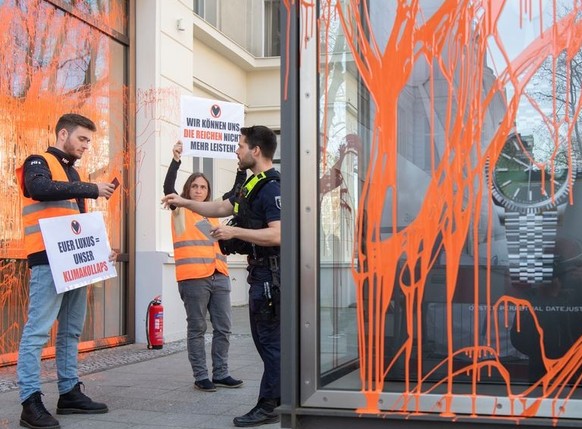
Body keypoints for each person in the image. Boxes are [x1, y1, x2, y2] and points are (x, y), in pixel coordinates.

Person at [162, 125, 281, 427]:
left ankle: (269, 404)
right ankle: (276, 399)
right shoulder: (251, 185)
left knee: (269, 343)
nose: (236, 151)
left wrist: (233, 231)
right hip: (251, 274)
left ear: (255, 150)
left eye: (241, 146)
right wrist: (184, 201)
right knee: (263, 342)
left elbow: (278, 234)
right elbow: (222, 205)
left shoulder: (270, 187)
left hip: (268, 276)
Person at [16, 113, 116, 429]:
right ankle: (30, 402)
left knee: (71, 330)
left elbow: (78, 224)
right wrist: (91, 188)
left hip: (75, 263)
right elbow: (39, 188)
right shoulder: (38, 162)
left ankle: (69, 392)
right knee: (37, 332)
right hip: (47, 260)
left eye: (89, 140)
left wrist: (101, 251)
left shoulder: (73, 174)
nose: (87, 146)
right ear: (63, 134)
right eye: (82, 139)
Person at [163, 141, 244, 392]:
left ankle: (221, 373)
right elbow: (168, 188)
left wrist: (241, 168)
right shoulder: (180, 209)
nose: (199, 190)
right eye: (195, 186)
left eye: (203, 187)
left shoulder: (213, 211)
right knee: (197, 328)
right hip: (193, 277)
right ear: (188, 189)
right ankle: (201, 376)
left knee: (224, 327)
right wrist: (176, 160)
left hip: (219, 275)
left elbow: (235, 193)